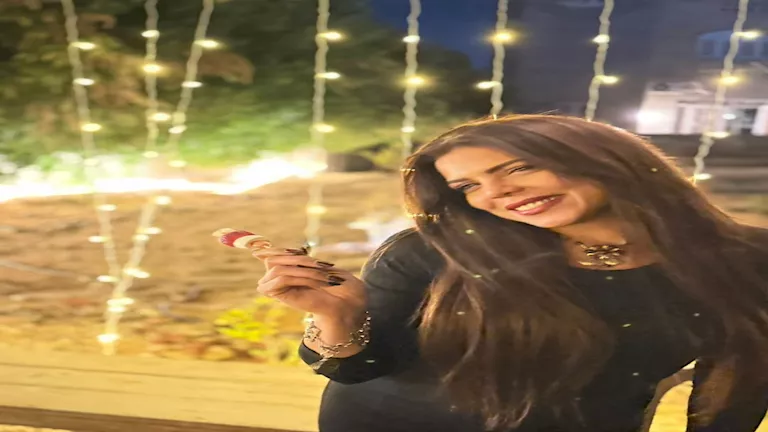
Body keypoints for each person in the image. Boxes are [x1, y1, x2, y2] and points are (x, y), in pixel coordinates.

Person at [253, 115, 768, 432]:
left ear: (607, 160)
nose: (497, 193)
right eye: (468, 187)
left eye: (519, 167)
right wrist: (336, 318)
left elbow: (740, 377)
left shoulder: (745, 257)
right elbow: (357, 368)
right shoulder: (433, 252)